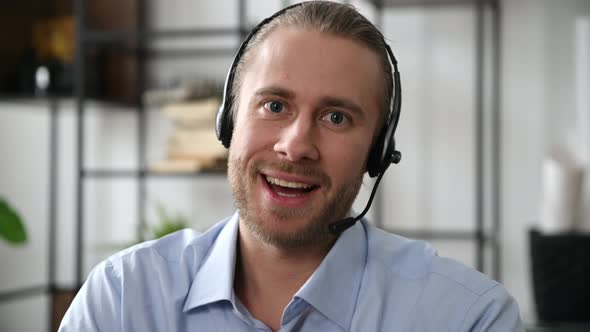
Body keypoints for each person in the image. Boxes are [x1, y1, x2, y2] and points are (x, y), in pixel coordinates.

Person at [59, 2, 523, 331]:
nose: (296, 145)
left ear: (377, 152)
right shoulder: (120, 302)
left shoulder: (468, 318)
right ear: (229, 122)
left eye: (336, 117)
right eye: (275, 105)